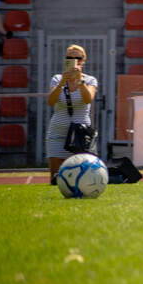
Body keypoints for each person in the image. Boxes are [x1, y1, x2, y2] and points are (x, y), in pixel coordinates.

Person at [45, 44, 97, 183]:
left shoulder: (89, 80)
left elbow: (88, 99)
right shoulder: (57, 79)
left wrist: (80, 81)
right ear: (65, 60)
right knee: (55, 178)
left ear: (83, 61)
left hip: (80, 135)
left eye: (78, 58)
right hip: (58, 133)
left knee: (81, 176)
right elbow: (50, 101)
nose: (74, 61)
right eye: (70, 58)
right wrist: (63, 82)